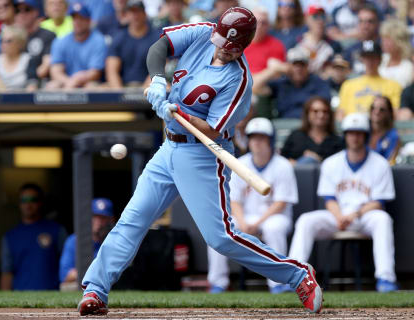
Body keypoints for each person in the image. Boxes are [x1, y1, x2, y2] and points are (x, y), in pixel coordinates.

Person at [77, 7, 323, 316]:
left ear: (243, 46)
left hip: (204, 154)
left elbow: (210, 128)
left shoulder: (239, 80)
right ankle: (96, 290)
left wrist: (177, 112)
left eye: (230, 47)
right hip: (169, 149)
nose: (221, 48)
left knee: (220, 238)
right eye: (220, 41)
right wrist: (157, 80)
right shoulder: (202, 32)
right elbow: (159, 48)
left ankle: (298, 275)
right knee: (133, 218)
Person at [288, 112, 399, 293]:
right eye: (350, 133)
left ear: (365, 135)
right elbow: (329, 199)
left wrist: (354, 215)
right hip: (337, 215)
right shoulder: (332, 162)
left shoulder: (380, 164)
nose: (354, 137)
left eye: (359, 133)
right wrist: (340, 216)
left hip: (365, 216)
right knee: (306, 220)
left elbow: (379, 201)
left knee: (383, 219)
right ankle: (294, 277)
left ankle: (385, 278)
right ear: (345, 135)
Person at [207, 118, 299, 294]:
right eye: (253, 137)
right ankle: (218, 282)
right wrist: (242, 222)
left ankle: (277, 283)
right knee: (218, 228)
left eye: (261, 137)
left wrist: (257, 224)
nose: (256, 142)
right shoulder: (240, 163)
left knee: (274, 227)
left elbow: (281, 203)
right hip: (246, 216)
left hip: (274, 217)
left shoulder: (283, 165)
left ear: (270, 140)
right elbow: (234, 201)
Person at [0, 183, 67, 290]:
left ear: (40, 202)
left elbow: (67, 267)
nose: (28, 204)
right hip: (19, 299)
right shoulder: (10, 236)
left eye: (33, 199)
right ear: (19, 203)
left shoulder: (57, 230)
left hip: (53, 297)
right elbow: (7, 273)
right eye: (24, 200)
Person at [252, 46, 331, 118]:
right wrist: (274, 70)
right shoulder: (281, 83)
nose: (298, 69)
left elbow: (324, 106)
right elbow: (254, 86)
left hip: (309, 126)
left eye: (302, 65)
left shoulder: (318, 83)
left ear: (307, 67)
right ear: (288, 66)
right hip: (283, 126)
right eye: (295, 64)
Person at [47, 1, 107, 89]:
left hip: (88, 81)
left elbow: (95, 73)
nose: (77, 22)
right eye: (74, 18)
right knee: (52, 86)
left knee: (91, 87)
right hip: (67, 82)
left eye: (81, 18)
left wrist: (77, 80)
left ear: (89, 20)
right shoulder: (61, 41)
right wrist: (69, 82)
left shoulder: (98, 40)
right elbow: (56, 71)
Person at [337, 40, 402, 120]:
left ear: (380, 59)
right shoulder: (348, 85)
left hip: (380, 127)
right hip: (353, 128)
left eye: (373, 58)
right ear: (362, 59)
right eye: (367, 57)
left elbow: (394, 114)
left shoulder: (393, 86)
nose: (370, 61)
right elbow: (340, 114)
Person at [59, 198, 115, 287]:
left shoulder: (115, 243)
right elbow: (65, 275)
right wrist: (97, 273)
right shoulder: (74, 241)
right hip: (81, 290)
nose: (98, 222)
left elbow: (116, 274)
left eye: (103, 218)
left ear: (111, 220)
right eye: (95, 216)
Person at [105, 0, 160, 88]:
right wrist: (120, 94)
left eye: (138, 12)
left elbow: (160, 67)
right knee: (94, 87)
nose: (135, 16)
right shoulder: (119, 38)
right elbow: (112, 70)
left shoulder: (156, 38)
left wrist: (145, 91)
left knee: (166, 87)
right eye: (132, 12)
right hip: (123, 86)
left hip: (149, 88)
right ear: (126, 15)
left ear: (145, 14)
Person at [281, 96, 344, 165]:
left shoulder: (337, 141)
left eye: (325, 111)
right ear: (307, 114)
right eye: (315, 111)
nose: (321, 115)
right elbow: (282, 161)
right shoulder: (295, 136)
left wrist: (318, 160)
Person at [14, 0, 56, 90]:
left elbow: (45, 67)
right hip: (16, 83)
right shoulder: (12, 38)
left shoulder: (48, 35)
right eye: (17, 10)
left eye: (27, 9)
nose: (22, 14)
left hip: (41, 85)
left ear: (36, 12)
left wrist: (31, 77)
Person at [294, 5, 341, 75]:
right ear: (307, 19)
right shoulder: (296, 42)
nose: (320, 21)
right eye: (315, 16)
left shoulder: (334, 45)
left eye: (322, 16)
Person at [244, 6, 286, 75]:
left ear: (268, 26)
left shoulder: (276, 45)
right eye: (256, 22)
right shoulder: (239, 43)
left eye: (263, 23)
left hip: (266, 84)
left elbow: (276, 75)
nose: (259, 26)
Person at [342, 4, 381, 76]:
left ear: (377, 23)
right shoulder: (350, 50)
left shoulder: (384, 47)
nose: (365, 26)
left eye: (370, 21)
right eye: (361, 21)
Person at [379, 19, 413, 88]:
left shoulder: (409, 66)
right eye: (383, 39)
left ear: (399, 42)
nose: (384, 43)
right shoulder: (380, 59)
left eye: (388, 40)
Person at [368, 96, 400, 164]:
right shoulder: (362, 132)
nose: (376, 112)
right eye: (373, 108)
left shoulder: (393, 136)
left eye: (381, 109)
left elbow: (389, 161)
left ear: (389, 113)